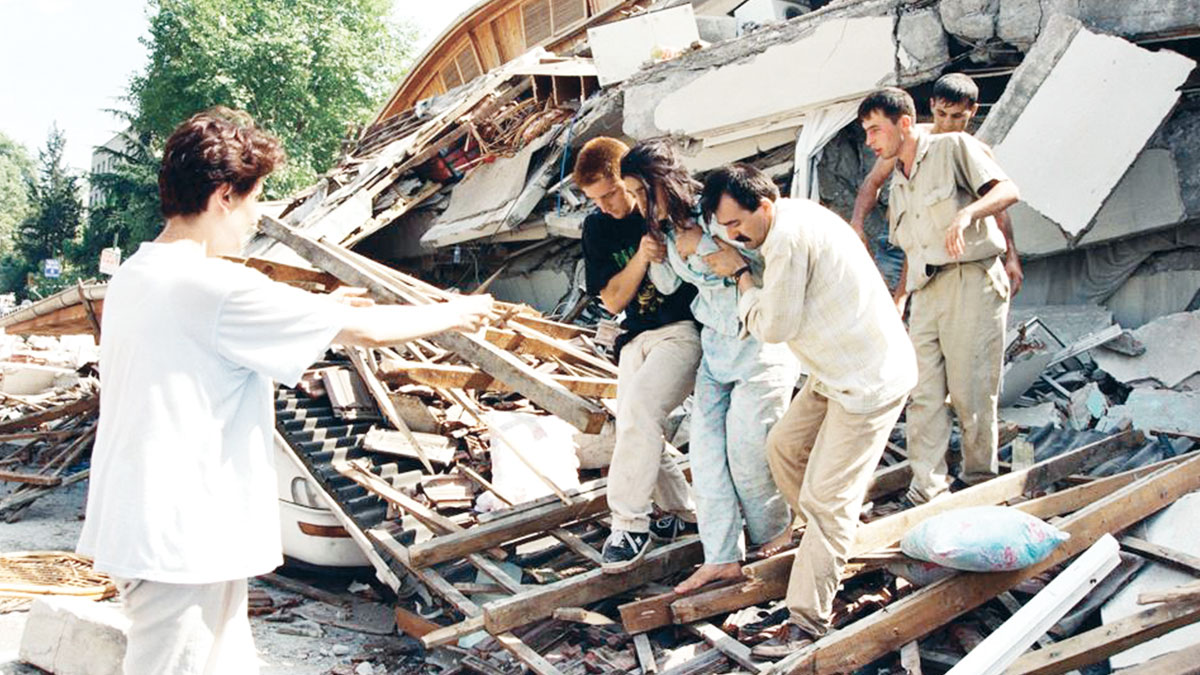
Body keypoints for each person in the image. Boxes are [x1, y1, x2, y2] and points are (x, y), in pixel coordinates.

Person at [76, 107, 493, 674]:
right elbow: (365, 330)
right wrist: (457, 311)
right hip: (180, 536)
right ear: (224, 195)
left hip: (161, 525)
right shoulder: (214, 285)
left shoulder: (137, 275)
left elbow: (218, 326)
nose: (257, 216)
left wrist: (319, 309)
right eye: (255, 199)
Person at [698, 164, 917, 657]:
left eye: (738, 225)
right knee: (783, 447)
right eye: (725, 229)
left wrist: (738, 276)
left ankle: (808, 618)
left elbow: (773, 327)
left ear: (765, 205)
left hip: (868, 383)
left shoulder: (786, 241)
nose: (735, 237)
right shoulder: (786, 220)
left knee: (828, 497)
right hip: (833, 371)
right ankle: (824, 537)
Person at [618, 141, 798, 594]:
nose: (639, 203)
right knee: (706, 456)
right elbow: (668, 282)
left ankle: (773, 537)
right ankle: (720, 557)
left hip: (757, 345)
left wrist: (708, 245)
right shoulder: (663, 228)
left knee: (748, 454)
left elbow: (763, 263)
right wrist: (654, 252)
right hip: (716, 349)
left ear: (662, 181)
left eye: (642, 192)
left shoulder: (717, 212)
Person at [857, 87, 1021, 506]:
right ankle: (927, 488)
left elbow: (1007, 193)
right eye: (867, 132)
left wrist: (968, 213)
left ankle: (979, 482)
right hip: (925, 290)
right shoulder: (899, 174)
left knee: (971, 392)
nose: (871, 140)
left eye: (876, 130)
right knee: (923, 393)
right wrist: (900, 296)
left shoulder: (954, 146)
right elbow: (915, 246)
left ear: (905, 123)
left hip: (972, 280)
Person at [573, 137, 700, 573]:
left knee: (641, 412)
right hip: (634, 334)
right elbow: (611, 300)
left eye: (610, 193)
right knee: (632, 421)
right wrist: (643, 260)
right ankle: (685, 514)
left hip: (682, 330)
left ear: (626, 179)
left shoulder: (658, 206)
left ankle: (628, 524)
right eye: (595, 199)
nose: (606, 205)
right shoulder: (597, 228)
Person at [850, 73, 1023, 301]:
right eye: (942, 114)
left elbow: (999, 203)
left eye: (957, 116)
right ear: (932, 106)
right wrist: (857, 221)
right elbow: (873, 182)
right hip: (903, 242)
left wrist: (1011, 255)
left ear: (972, 111)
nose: (948, 123)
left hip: (947, 253)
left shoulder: (973, 151)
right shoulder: (908, 141)